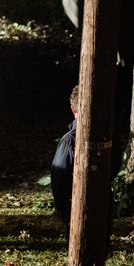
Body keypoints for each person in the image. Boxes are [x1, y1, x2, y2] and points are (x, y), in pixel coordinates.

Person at [50, 85, 79, 230]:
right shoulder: (109, 136)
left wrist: (61, 209)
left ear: (73, 109)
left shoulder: (69, 141)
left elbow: (59, 176)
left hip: (73, 204)